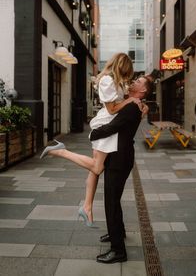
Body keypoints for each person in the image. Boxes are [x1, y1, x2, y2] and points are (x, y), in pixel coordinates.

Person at [40, 53, 142, 226]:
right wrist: (131, 100)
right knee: (97, 166)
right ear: (121, 67)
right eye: (126, 73)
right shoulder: (107, 81)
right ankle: (61, 151)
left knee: (94, 169)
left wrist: (132, 101)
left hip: (110, 125)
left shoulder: (114, 80)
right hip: (106, 124)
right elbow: (111, 109)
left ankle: (87, 208)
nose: (127, 77)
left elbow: (118, 105)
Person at [89, 75, 153, 264]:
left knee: (111, 202)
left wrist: (94, 133)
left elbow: (112, 127)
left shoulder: (133, 106)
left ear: (143, 91)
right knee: (114, 199)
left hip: (119, 158)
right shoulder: (131, 103)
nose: (134, 82)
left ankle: (118, 251)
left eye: (139, 82)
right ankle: (118, 233)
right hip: (121, 156)